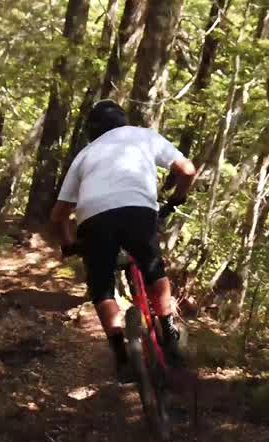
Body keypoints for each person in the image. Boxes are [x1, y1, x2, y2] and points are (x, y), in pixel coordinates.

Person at [49, 99, 196, 382]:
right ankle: (168, 331)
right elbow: (187, 170)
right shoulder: (143, 135)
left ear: (92, 129)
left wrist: (68, 243)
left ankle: (120, 356)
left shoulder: (84, 154)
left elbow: (59, 214)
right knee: (153, 268)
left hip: (93, 219)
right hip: (138, 211)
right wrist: (176, 199)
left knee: (101, 288)